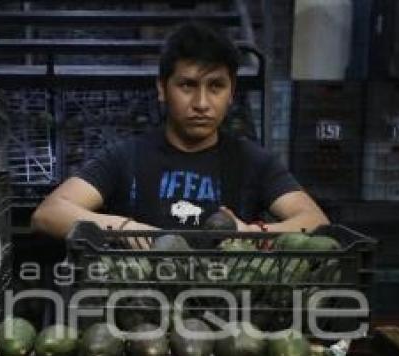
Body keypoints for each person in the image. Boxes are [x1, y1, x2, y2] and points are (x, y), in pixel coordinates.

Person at [31, 21, 329, 238]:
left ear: (231, 92)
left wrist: (252, 232)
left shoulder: (254, 162)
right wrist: (126, 229)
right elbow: (49, 213)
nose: (201, 103)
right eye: (187, 85)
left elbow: (315, 221)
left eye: (215, 86)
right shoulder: (127, 157)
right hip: (141, 306)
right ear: (163, 89)